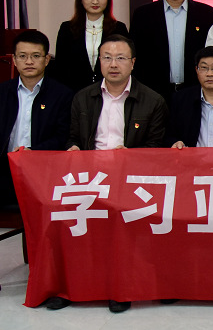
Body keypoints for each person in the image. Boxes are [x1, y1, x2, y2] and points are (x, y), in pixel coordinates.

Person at [0, 31, 72, 306]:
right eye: (23, 56)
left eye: (35, 56)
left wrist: (35, 152)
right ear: (14, 60)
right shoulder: (0, 93)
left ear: (46, 59)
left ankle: (57, 279)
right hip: (6, 173)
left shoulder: (62, 94)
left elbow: (63, 137)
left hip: (44, 174)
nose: (29, 61)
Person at [65, 34, 167, 312]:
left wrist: (130, 156)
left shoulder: (153, 100)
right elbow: (72, 137)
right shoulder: (82, 97)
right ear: (99, 62)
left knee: (121, 217)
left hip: (131, 179)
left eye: (120, 58)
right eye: (107, 58)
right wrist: (73, 148)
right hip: (90, 177)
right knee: (64, 214)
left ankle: (119, 286)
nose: (113, 64)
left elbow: (156, 149)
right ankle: (72, 285)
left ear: (132, 63)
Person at [130, 0, 213, 100]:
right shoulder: (143, 15)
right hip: (152, 93)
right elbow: (135, 55)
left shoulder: (206, 14)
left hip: (195, 91)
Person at [50, 0, 128, 93]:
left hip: (110, 92)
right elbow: (61, 67)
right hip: (75, 94)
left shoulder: (118, 28)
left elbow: (124, 65)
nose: (95, 1)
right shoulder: (67, 28)